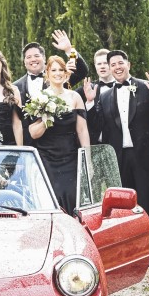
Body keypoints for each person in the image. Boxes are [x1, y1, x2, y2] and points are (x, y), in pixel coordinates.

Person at [88, 49, 149, 260]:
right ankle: (131, 252)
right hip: (119, 159)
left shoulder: (146, 88)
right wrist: (89, 103)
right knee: (124, 207)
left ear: (128, 64)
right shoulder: (103, 96)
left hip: (144, 156)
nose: (117, 67)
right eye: (113, 65)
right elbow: (96, 128)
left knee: (148, 202)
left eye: (120, 63)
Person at [26, 55, 90, 214]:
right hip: (47, 158)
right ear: (47, 73)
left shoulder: (75, 97)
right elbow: (33, 134)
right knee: (52, 197)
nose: (58, 73)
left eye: (61, 69)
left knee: (71, 196)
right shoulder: (39, 97)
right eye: (53, 70)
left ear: (66, 73)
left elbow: (82, 130)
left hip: (70, 157)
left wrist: (87, 159)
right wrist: (46, 118)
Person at [14, 32, 89, 106]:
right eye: (29, 57)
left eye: (36, 56)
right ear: (24, 61)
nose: (33, 59)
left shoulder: (58, 76)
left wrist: (69, 50)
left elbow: (82, 72)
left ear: (44, 58)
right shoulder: (15, 86)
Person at [79, 48, 116, 141]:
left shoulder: (123, 88)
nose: (102, 67)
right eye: (99, 64)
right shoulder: (87, 89)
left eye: (105, 63)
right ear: (95, 66)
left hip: (119, 145)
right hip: (94, 144)